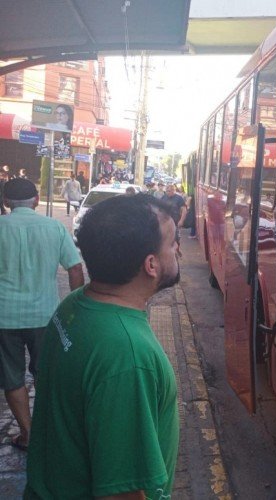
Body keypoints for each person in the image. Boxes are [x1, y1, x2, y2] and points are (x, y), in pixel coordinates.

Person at [24, 194, 180, 499]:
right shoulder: (127, 355)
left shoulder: (75, 304)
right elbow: (121, 492)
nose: (177, 250)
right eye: (172, 243)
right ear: (151, 264)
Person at [0, 178, 84, 452]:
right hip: (45, 317)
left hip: (4, 318)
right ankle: (49, 429)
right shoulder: (54, 228)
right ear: (36, 200)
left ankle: (28, 433)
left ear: (6, 202)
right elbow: (74, 269)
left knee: (11, 377)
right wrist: (76, 308)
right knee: (45, 374)